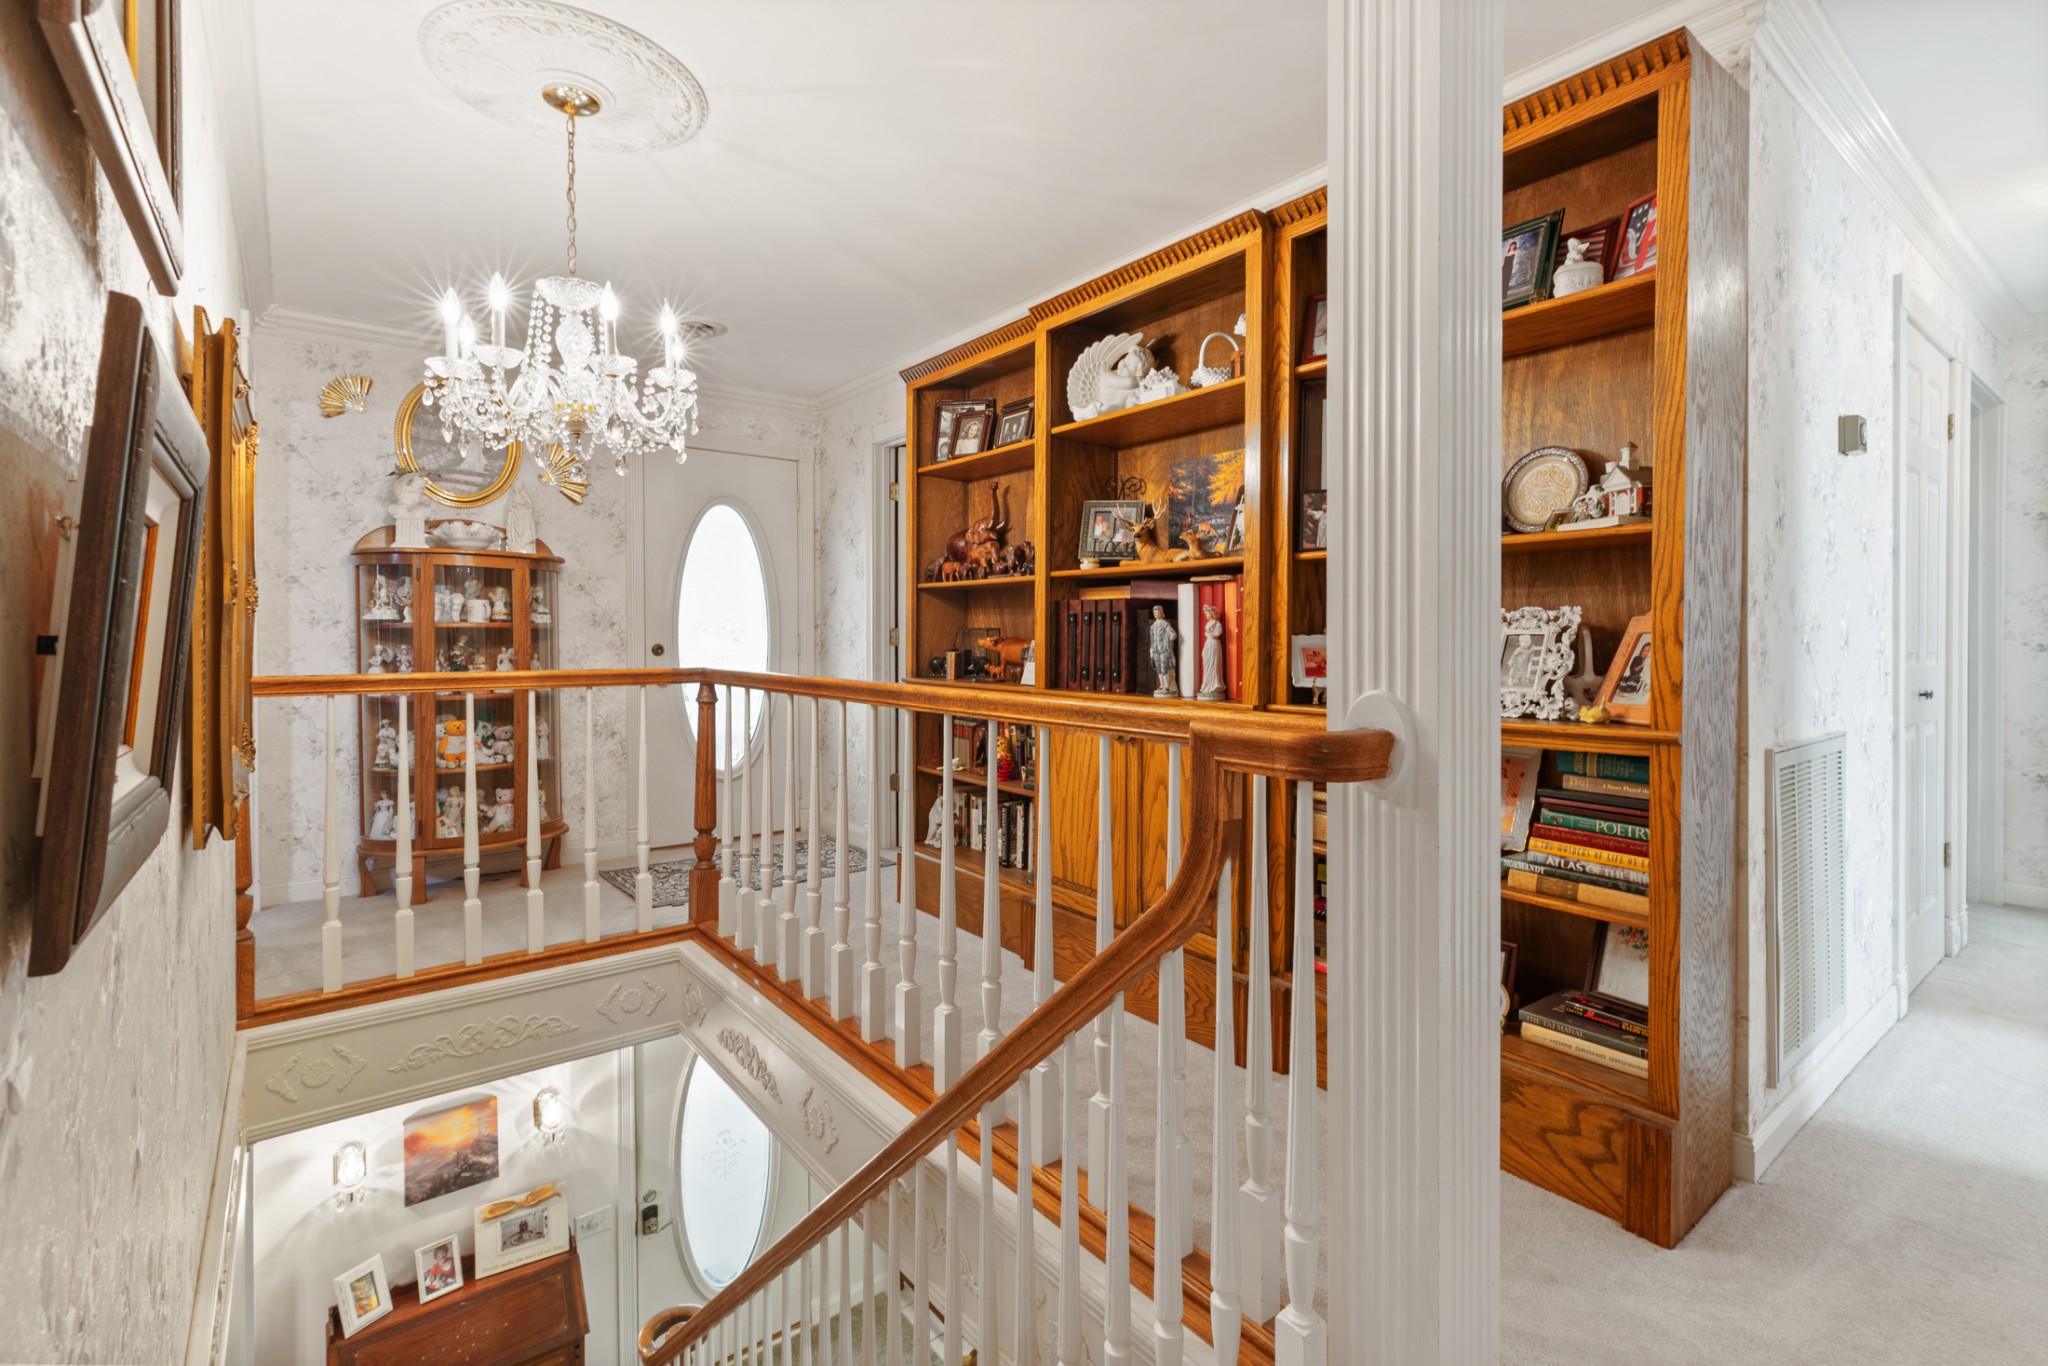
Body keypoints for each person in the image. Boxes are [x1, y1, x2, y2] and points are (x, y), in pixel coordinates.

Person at [1149, 605, 1179, 697]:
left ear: (1161, 613)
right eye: (1154, 612)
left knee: (1164, 667)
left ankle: (1167, 686)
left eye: (1157, 612)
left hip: (1163, 649)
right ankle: (1162, 685)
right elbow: (1152, 640)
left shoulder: (1165, 624)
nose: (1155, 614)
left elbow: (1173, 634)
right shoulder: (1153, 626)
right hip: (1155, 649)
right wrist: (1151, 651)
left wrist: (1166, 640)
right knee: (1158, 667)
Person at [1198, 604, 1226, 700]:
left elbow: (1217, 634)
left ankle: (1214, 685)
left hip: (1214, 644)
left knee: (1214, 664)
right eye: (1205, 614)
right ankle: (1206, 685)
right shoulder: (1209, 623)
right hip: (1208, 643)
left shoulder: (1217, 624)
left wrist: (1209, 631)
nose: (1206, 615)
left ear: (1212, 613)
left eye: (1207, 613)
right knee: (1207, 665)